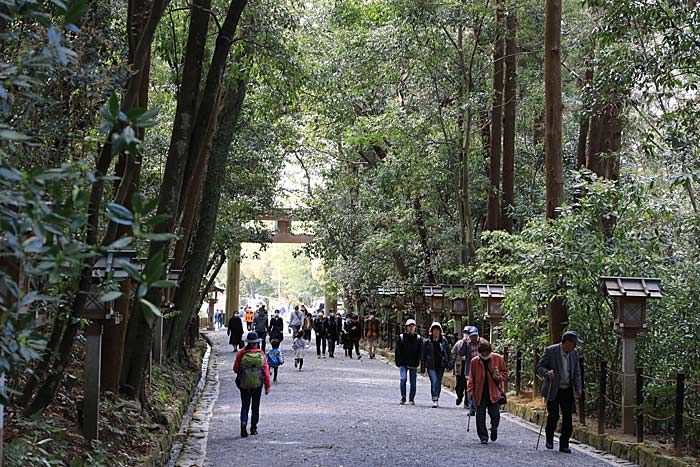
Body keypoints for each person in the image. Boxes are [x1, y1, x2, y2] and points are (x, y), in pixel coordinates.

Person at [537, 331, 583, 453]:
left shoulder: (574, 353)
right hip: (553, 388)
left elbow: (577, 371)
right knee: (554, 416)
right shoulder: (551, 351)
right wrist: (547, 373)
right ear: (567, 343)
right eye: (574, 343)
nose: (575, 346)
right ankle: (549, 438)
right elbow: (540, 367)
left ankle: (564, 444)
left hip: (567, 389)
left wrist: (578, 387)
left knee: (568, 417)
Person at [467, 342, 508, 444]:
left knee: (495, 414)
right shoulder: (475, 361)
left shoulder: (498, 358)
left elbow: (505, 373)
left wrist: (500, 377)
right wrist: (470, 390)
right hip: (479, 392)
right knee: (480, 415)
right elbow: (471, 377)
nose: (485, 355)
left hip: (493, 390)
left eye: (487, 353)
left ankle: (494, 428)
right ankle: (483, 436)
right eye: (483, 353)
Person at [233, 331, 271, 438]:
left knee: (245, 405)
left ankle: (243, 423)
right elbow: (266, 371)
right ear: (256, 342)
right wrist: (267, 386)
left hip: (244, 384)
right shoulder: (261, 354)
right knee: (255, 406)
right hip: (257, 384)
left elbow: (235, 369)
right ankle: (253, 428)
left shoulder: (241, 353)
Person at [421, 322, 453, 408]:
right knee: (434, 381)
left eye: (437, 330)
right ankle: (434, 399)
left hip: (440, 365)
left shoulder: (444, 341)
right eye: (434, 330)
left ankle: (436, 398)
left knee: (438, 382)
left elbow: (448, 352)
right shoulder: (427, 342)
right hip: (431, 365)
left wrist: (450, 363)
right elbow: (423, 355)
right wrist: (423, 366)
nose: (436, 332)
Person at [395, 319, 423, 405]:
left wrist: (421, 362)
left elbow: (421, 351)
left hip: (413, 363)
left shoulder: (418, 338)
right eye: (409, 326)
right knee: (403, 379)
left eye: (413, 326)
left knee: (413, 382)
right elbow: (398, 350)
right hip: (403, 362)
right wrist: (398, 362)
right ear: (406, 327)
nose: (411, 328)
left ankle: (411, 398)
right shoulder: (402, 337)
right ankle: (403, 397)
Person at [463, 326, 490, 414]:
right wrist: (464, 342)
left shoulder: (483, 343)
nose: (473, 337)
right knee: (470, 387)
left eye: (475, 335)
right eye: (472, 336)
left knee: (479, 388)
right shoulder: (467, 343)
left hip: (481, 369)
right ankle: (472, 408)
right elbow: (461, 353)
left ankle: (479, 406)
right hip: (470, 368)